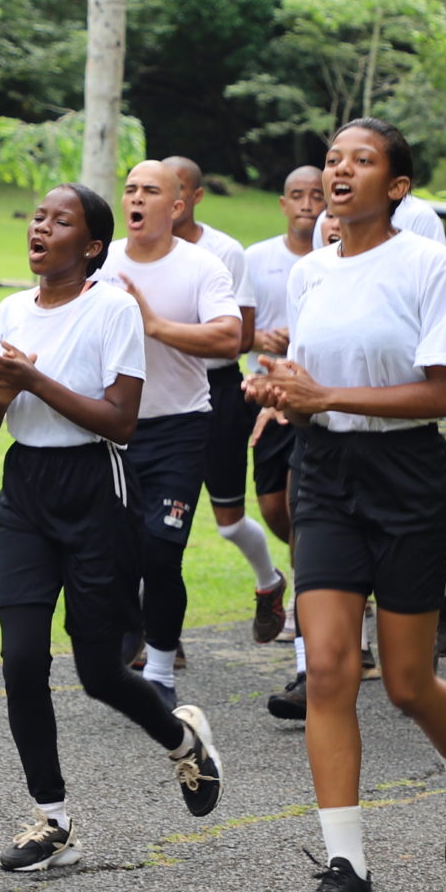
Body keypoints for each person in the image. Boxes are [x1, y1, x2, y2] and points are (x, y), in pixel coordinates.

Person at [250, 118, 446, 892]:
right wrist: (284, 389)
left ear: (397, 187)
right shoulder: (310, 272)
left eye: (362, 162)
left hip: (407, 476)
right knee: (327, 667)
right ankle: (347, 870)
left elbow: (445, 392)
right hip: (323, 471)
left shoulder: (429, 264)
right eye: (333, 160)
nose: (340, 172)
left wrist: (326, 396)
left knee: (405, 682)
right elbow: (315, 377)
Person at [0, 184, 225, 872]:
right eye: (36, 217)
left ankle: (181, 740)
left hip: (96, 487)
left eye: (59, 221)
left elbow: (120, 419)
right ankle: (51, 819)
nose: (40, 228)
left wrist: (33, 378)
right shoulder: (8, 310)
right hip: (25, 491)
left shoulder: (111, 307)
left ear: (89, 247)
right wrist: (1, 392)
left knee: (96, 671)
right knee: (21, 658)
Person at [101, 161, 245, 706]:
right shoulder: (102, 260)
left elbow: (229, 338)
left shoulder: (203, 267)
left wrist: (155, 324)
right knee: (115, 554)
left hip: (181, 427)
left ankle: (160, 669)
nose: (136, 198)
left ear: (177, 207)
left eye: (151, 191)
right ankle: (126, 628)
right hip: (112, 429)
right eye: (131, 189)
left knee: (161, 550)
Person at [163, 156, 288, 643]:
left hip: (215, 391)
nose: (161, 200)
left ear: (195, 196)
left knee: (229, 521)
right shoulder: (129, 253)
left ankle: (268, 581)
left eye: (174, 190)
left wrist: (167, 332)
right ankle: (158, 642)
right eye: (149, 190)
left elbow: (241, 336)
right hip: (154, 392)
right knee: (156, 524)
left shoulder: (225, 251)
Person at [249, 166, 326, 717]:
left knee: (309, 528)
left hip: (325, 409)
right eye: (296, 194)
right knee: (277, 509)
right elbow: (237, 326)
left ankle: (310, 665)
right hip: (272, 402)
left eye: (315, 196)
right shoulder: (266, 261)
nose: (308, 205)